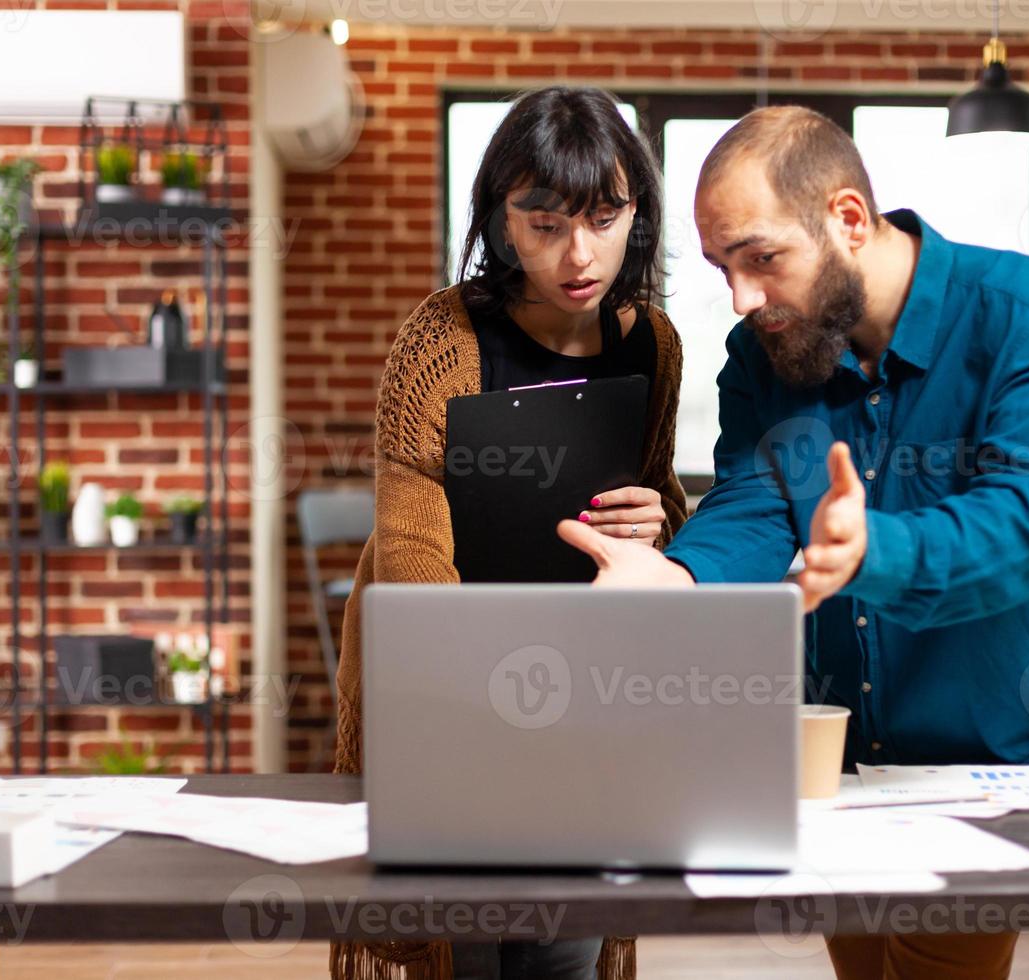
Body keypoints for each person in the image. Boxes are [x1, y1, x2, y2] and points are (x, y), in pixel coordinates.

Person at [558, 105, 1029, 980]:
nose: (742, 300)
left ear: (848, 219)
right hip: (839, 761)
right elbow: (756, 499)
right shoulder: (765, 354)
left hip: (996, 756)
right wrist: (680, 576)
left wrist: (876, 551)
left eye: (761, 258)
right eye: (723, 268)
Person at [331, 86, 686, 980]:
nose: (580, 254)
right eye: (545, 223)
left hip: (588, 689)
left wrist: (660, 520)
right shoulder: (442, 340)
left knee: (566, 942)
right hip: (448, 691)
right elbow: (409, 549)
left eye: (605, 219)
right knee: (460, 940)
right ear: (500, 218)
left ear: (635, 214)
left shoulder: (652, 343)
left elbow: (657, 495)